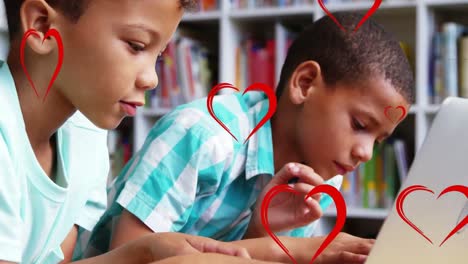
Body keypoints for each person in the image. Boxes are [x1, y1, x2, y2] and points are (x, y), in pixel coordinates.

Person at [81, 11, 413, 264]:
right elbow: (130, 255)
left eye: (379, 140)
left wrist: (262, 236)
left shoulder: (323, 179)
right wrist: (292, 250)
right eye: (359, 124)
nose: (366, 154)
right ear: (305, 83)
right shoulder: (203, 135)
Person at [0, 0, 284, 263]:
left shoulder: (86, 135)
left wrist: (143, 252)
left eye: (158, 57)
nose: (152, 79)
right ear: (41, 26)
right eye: (136, 46)